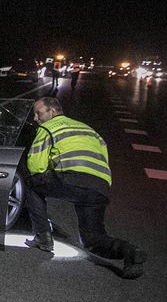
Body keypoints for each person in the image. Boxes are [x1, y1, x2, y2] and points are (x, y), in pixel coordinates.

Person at [24, 97, 146, 279]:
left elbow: (36, 166)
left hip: (72, 179)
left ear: (52, 112)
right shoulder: (90, 131)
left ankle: (43, 236)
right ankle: (130, 251)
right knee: (92, 240)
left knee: (32, 184)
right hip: (100, 186)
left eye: (38, 113)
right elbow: (103, 158)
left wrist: (48, 172)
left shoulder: (47, 128)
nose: (35, 118)